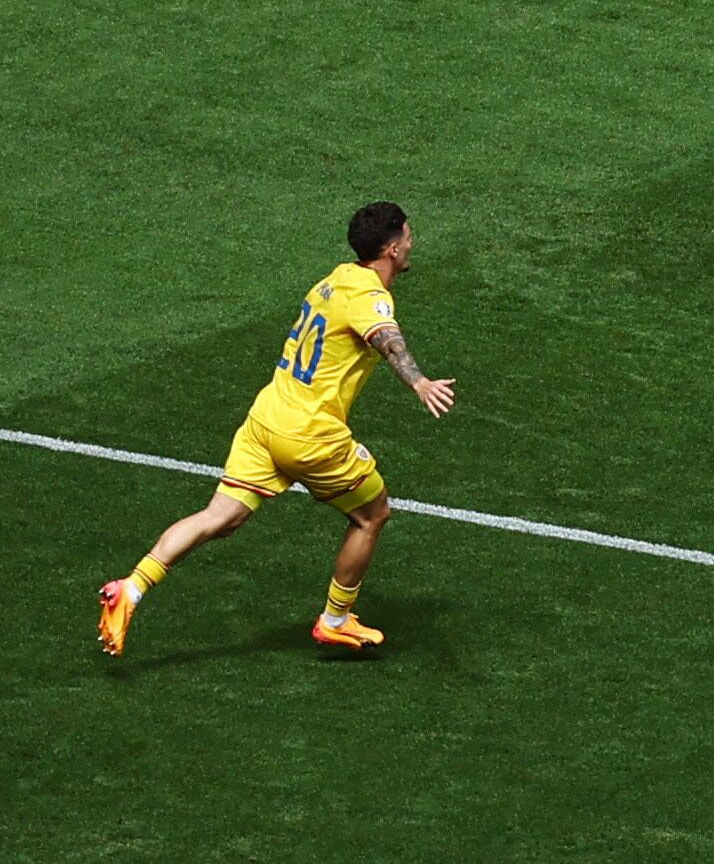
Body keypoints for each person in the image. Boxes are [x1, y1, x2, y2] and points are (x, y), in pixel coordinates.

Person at [98, 201, 459, 661]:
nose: (412, 242)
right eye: (408, 236)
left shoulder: (332, 280)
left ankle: (130, 589)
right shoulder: (370, 296)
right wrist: (420, 382)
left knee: (220, 518)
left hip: (266, 419)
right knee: (371, 515)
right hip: (309, 434)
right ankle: (335, 620)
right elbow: (387, 339)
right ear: (390, 248)